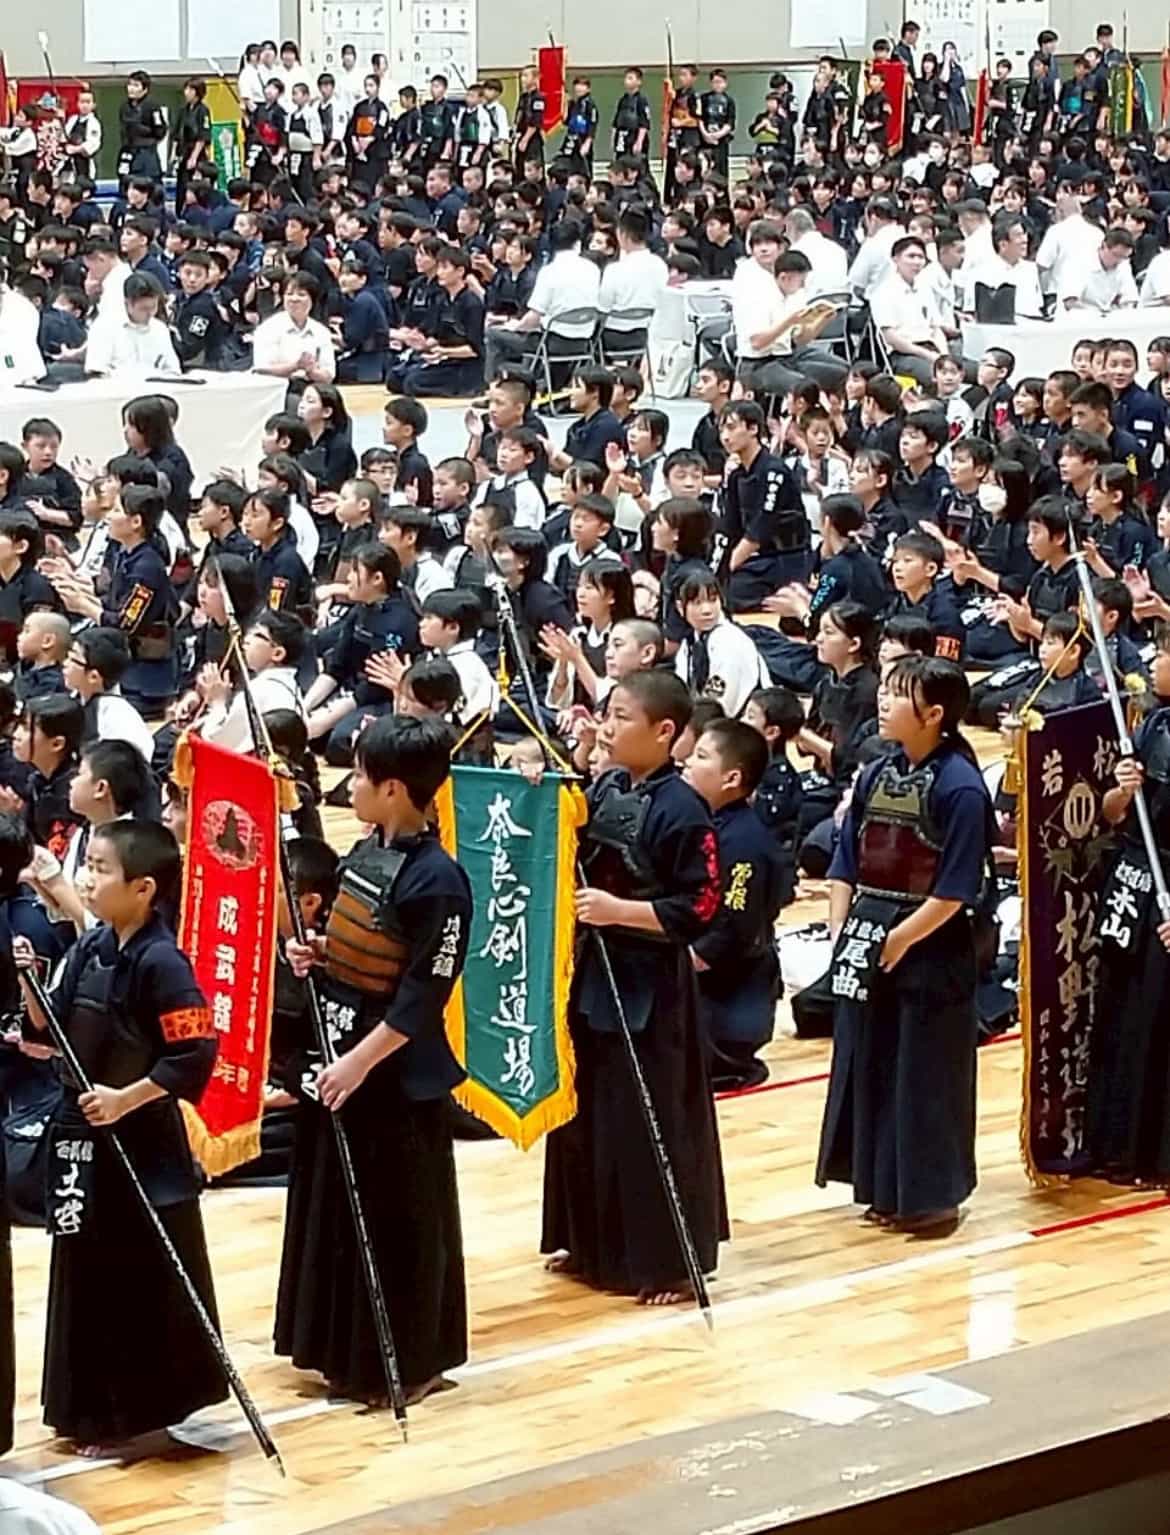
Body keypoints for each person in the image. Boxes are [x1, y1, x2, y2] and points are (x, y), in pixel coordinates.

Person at [279, 714, 472, 1404]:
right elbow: (364, 946)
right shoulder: (367, 848)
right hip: (342, 1055)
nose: (349, 786)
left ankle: (410, 1362)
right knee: (338, 1212)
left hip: (393, 1076)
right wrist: (318, 953)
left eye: (359, 775)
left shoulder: (440, 882)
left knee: (401, 1222)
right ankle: (344, 1352)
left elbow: (422, 995)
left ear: (393, 787)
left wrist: (359, 1063)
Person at [19, 820, 226, 1454]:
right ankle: (87, 1410)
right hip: (85, 1140)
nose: (88, 877)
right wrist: (29, 979)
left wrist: (124, 1099)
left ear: (143, 888)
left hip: (142, 1147)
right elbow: (51, 1025)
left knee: (138, 1278)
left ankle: (143, 1415)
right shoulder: (93, 945)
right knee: (86, 1270)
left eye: (102, 870)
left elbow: (193, 1054)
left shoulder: (165, 963)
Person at [542, 669, 727, 1303]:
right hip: (592, 968)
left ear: (664, 731)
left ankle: (671, 1260)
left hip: (651, 985)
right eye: (608, 713)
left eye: (622, 717)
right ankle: (591, 1240)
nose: (608, 725)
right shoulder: (611, 783)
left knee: (654, 1120)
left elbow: (698, 909)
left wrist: (618, 912)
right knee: (591, 1111)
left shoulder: (684, 809)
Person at [816, 656, 993, 1233]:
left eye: (897, 694)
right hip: (869, 935)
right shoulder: (874, 773)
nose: (883, 702)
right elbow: (845, 858)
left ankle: (931, 1199)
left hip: (931, 948)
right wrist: (845, 929)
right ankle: (881, 1188)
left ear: (934, 714)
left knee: (924, 1073)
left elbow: (957, 888)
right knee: (870, 1063)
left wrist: (899, 940)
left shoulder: (962, 788)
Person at [1089, 630, 1170, 1183]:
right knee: (1121, 1010)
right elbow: (1112, 812)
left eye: (1166, 654)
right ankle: (1115, 1144)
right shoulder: (1155, 724)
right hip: (1133, 877)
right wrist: (1122, 788)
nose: (1156, 661)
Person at [684, 718, 787, 1091]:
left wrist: (673, 967)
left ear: (731, 779)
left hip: (728, 992)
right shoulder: (701, 821)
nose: (688, 764)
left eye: (701, 756)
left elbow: (733, 929)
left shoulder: (744, 842)